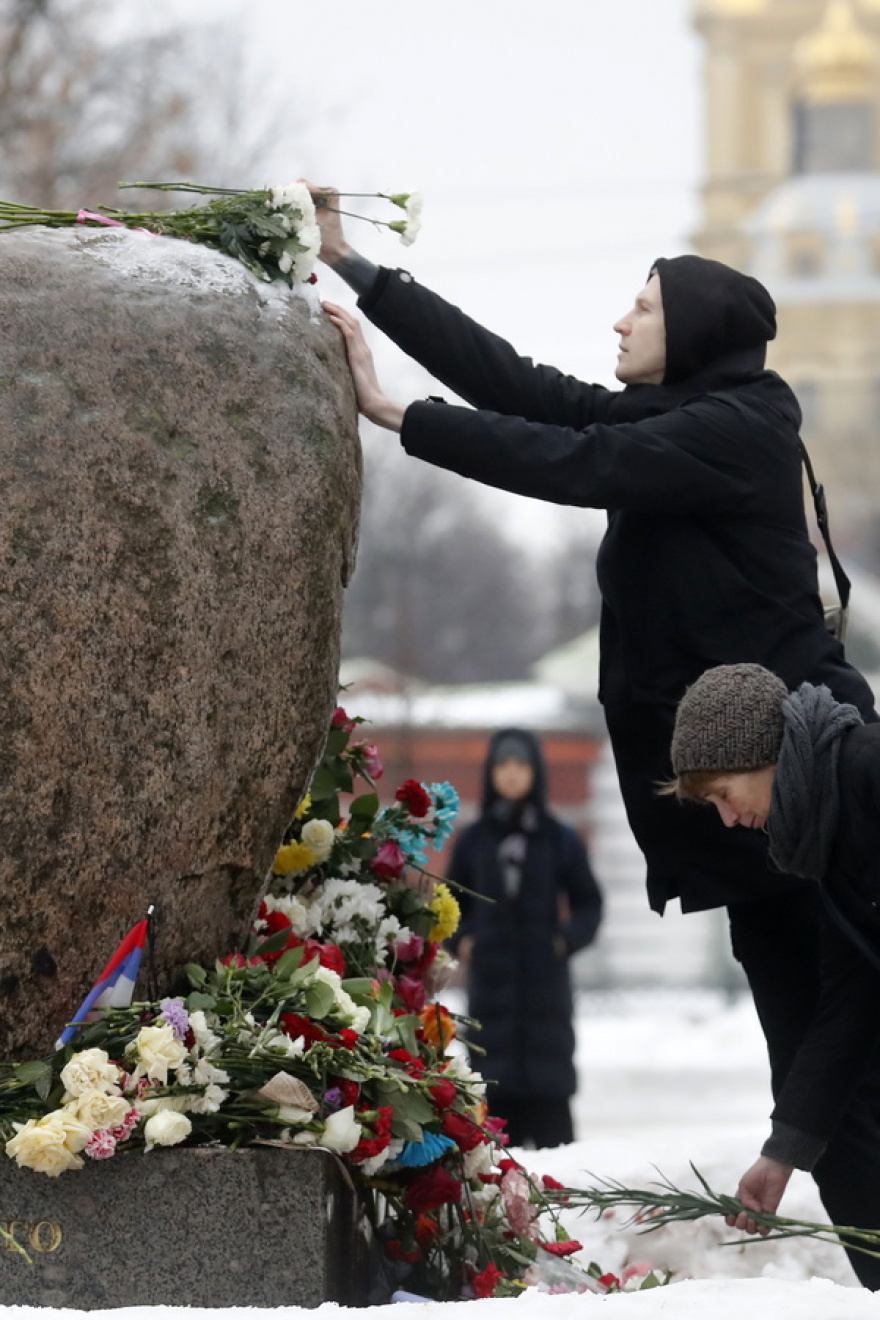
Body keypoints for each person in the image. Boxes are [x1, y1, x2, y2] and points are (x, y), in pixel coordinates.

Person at [307, 183, 880, 1285]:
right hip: (752, 813)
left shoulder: (733, 432)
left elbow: (575, 466)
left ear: (696, 335)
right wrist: (365, 276)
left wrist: (397, 418)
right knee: (818, 1074)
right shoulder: (695, 419)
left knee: (842, 1065)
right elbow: (528, 392)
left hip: (804, 788)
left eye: (643, 306)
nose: (620, 321)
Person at [665, 662, 880, 1241]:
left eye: (724, 795)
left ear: (763, 755)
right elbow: (848, 1005)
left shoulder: (869, 774)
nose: (730, 819)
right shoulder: (832, 836)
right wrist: (782, 1153)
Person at [445, 728, 602, 1148]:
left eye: (521, 766)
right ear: (490, 773)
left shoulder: (559, 838)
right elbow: (445, 907)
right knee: (493, 1133)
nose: (512, 775)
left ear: (535, 772)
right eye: (503, 766)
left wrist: (564, 941)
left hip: (544, 991)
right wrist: (462, 941)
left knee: (553, 1125)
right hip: (490, 995)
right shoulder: (473, 841)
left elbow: (589, 903)